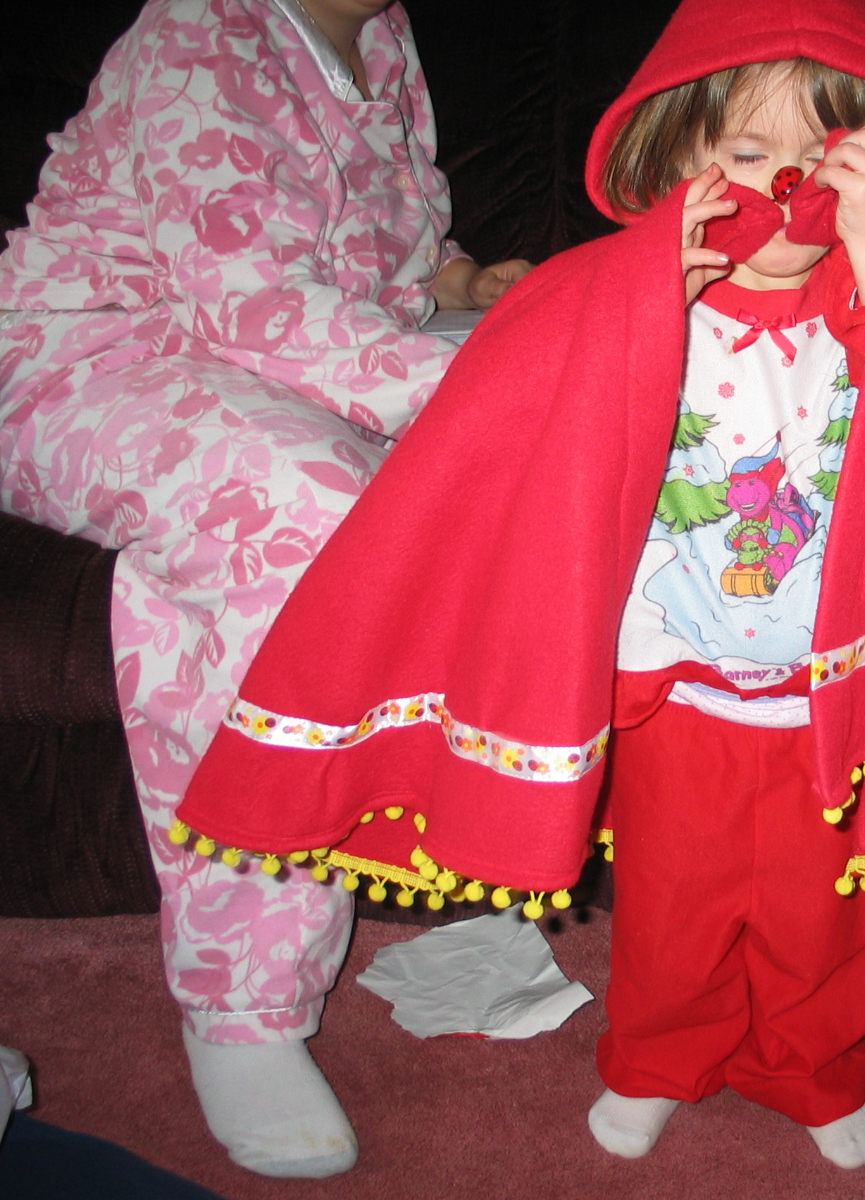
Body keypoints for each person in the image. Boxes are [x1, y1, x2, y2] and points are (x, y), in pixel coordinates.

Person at [175, 0, 865, 1170]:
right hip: (675, 692)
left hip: (828, 697)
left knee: (833, 913)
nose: (789, 186)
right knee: (674, 907)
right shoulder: (617, 295)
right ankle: (658, 1058)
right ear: (674, 164)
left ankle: (811, 1065)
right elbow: (516, 432)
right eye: (748, 152)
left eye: (829, 154)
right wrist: (641, 299)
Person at [0, 0, 530, 1179]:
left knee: (540, 462)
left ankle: (466, 822)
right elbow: (248, 300)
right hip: (98, 352)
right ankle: (242, 1002)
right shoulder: (200, 28)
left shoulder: (383, 42)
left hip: (268, 356)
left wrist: (461, 281)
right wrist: (484, 391)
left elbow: (395, 241)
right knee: (299, 511)